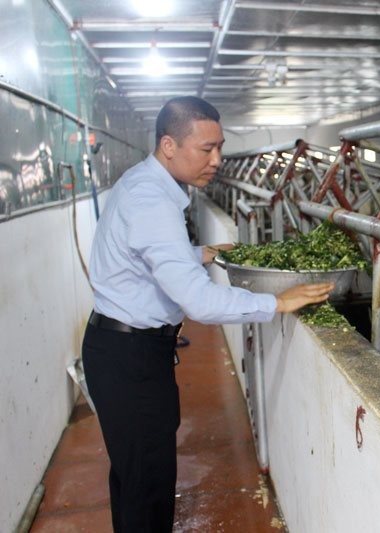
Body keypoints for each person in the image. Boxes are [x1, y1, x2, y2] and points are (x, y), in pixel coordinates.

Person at [81, 95, 333, 533]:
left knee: (133, 479)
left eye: (220, 148)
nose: (216, 160)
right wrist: (277, 301)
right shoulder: (153, 202)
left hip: (119, 350)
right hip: (132, 359)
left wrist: (200, 252)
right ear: (169, 145)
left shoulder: (142, 183)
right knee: (148, 488)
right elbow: (200, 302)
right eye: (206, 149)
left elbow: (140, 255)